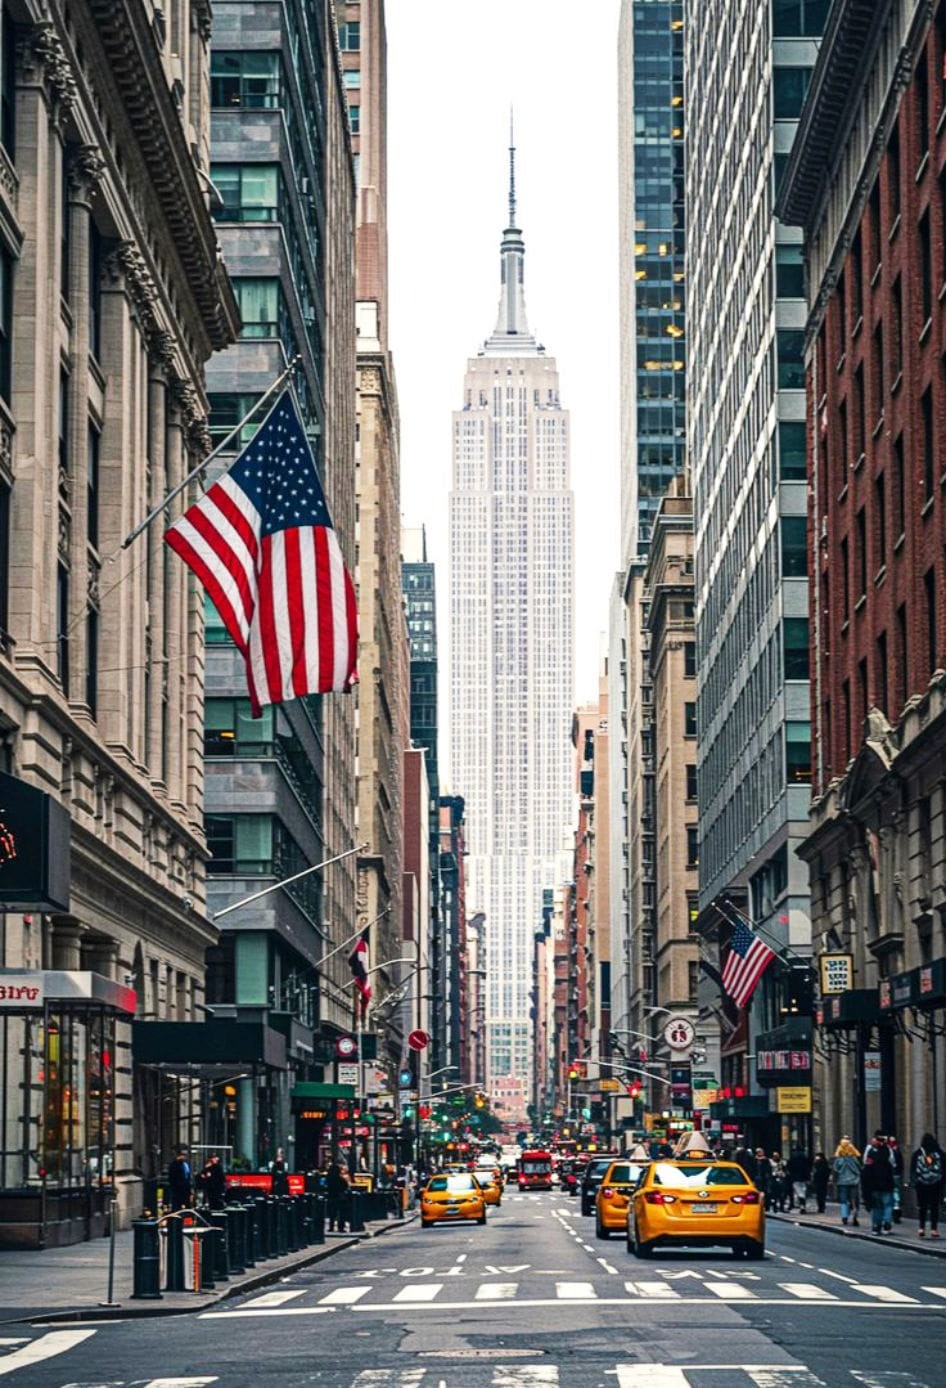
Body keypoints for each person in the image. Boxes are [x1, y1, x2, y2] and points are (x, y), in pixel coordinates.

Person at [910, 1132, 944, 1238]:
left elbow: (912, 1169)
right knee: (935, 1206)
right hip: (936, 1184)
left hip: (921, 1184)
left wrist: (914, 1181)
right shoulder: (939, 1153)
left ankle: (921, 1228)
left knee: (922, 1207)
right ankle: (934, 1229)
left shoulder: (918, 1153)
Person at [862, 1132, 895, 1234]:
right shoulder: (889, 1151)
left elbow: (866, 1165)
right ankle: (887, 1223)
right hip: (887, 1182)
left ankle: (876, 1226)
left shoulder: (871, 1152)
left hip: (874, 1183)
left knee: (877, 1206)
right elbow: (893, 1163)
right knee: (888, 1204)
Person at [833, 1137, 862, 1226]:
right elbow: (859, 1168)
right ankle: (854, 1213)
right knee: (854, 1199)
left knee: (844, 1200)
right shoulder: (854, 1159)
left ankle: (844, 1216)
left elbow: (835, 1170)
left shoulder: (839, 1160)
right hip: (854, 1182)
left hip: (842, 1182)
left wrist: (835, 1181)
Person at [325, 1162, 350, 1232]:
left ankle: (331, 1227)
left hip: (331, 1197)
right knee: (341, 1213)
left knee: (332, 1214)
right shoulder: (340, 1179)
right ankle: (340, 1227)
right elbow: (346, 1186)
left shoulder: (328, 1178)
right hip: (340, 1197)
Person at [787, 1146, 812, 1213]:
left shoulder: (792, 1159)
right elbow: (808, 1169)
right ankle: (802, 1206)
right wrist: (808, 1178)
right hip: (804, 1179)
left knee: (799, 1192)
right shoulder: (805, 1159)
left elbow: (789, 1169)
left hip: (795, 1178)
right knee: (803, 1192)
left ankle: (801, 1206)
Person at [887, 1136, 904, 1223]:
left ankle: (893, 1211)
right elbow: (901, 1163)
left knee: (892, 1193)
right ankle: (896, 1209)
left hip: (891, 1175)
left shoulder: (888, 1150)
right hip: (896, 1175)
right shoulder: (896, 1150)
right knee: (896, 1192)